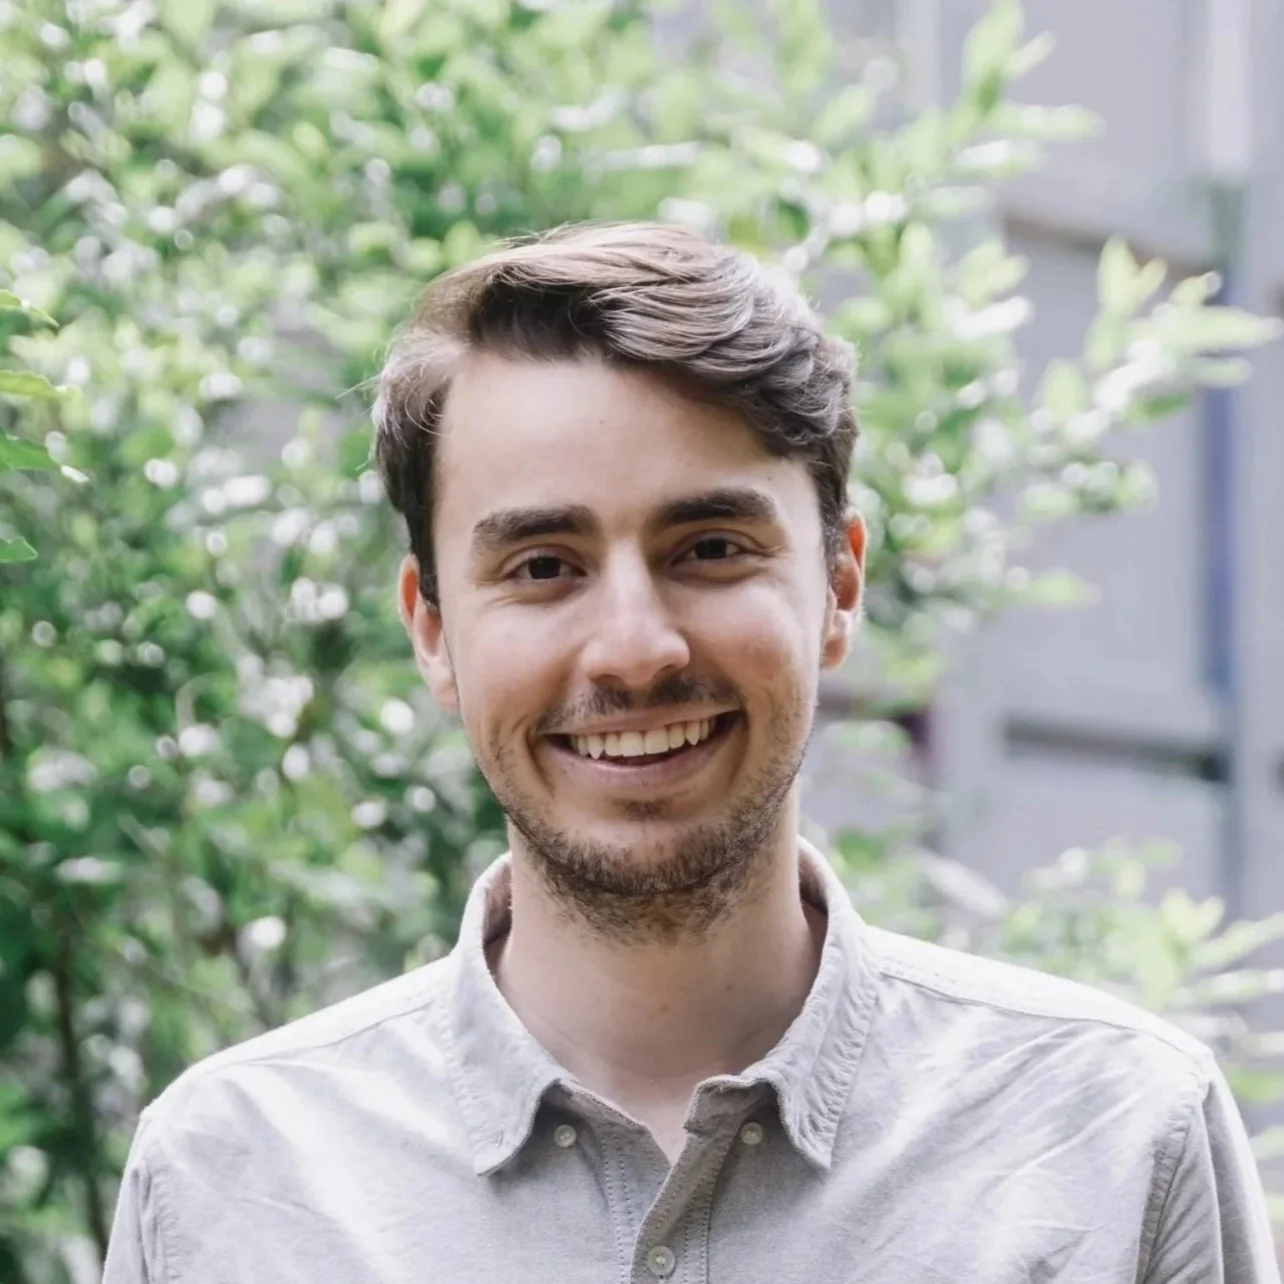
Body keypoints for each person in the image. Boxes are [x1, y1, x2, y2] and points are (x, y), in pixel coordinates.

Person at [103, 222, 1280, 1283]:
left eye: (711, 546)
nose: (634, 649)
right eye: (543, 566)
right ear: (432, 629)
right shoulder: (225, 1180)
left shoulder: (1123, 1139)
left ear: (838, 583)